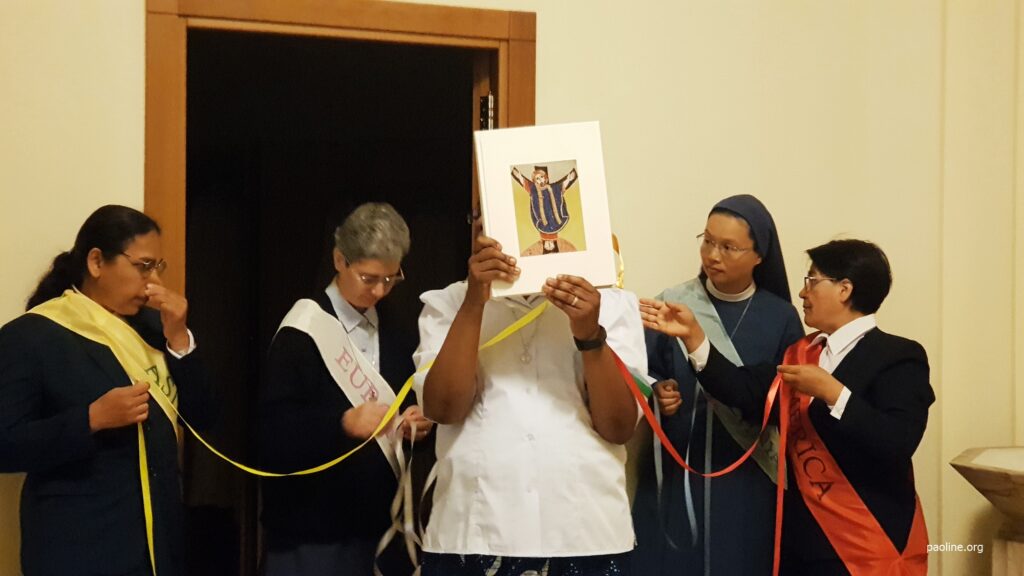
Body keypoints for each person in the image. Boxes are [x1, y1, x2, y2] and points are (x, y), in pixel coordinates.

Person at [642, 239, 933, 575]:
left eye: (812, 281)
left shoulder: (899, 355)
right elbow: (742, 390)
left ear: (844, 289)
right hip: (802, 542)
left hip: (868, 541)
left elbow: (898, 441)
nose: (802, 293)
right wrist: (693, 336)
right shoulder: (802, 352)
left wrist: (835, 393)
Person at [412, 212, 647, 576]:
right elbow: (443, 408)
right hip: (472, 534)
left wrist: (590, 335)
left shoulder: (612, 304)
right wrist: (475, 302)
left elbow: (619, 427)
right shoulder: (449, 302)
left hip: (587, 534)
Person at [0, 204, 213, 576]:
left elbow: (206, 418)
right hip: (77, 550)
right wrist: (90, 420)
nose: (153, 283)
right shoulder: (32, 336)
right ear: (97, 262)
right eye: (143, 266)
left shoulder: (155, 329)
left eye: (157, 268)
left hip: (156, 550)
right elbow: (5, 445)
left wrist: (180, 339)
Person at [632, 194, 804, 575]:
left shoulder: (781, 318)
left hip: (746, 477)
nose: (712, 255)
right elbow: (640, 371)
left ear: (759, 255)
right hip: (679, 470)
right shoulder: (674, 304)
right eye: (707, 241)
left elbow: (786, 402)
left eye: (728, 247)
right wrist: (657, 391)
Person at [258, 202, 432, 576]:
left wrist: (416, 424)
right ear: (340, 260)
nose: (381, 291)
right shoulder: (301, 331)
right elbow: (271, 436)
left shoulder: (398, 330)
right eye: (369, 278)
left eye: (392, 278)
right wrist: (342, 423)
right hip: (310, 536)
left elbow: (407, 402)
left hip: (381, 530)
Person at [511, 165, 579, 255]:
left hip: (554, 220)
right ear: (535, 181)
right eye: (537, 178)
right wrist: (518, 175)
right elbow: (523, 181)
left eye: (542, 177)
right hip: (543, 222)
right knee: (545, 230)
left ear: (546, 178)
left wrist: (569, 178)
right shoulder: (533, 189)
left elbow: (562, 186)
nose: (540, 180)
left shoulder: (554, 188)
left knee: (553, 230)